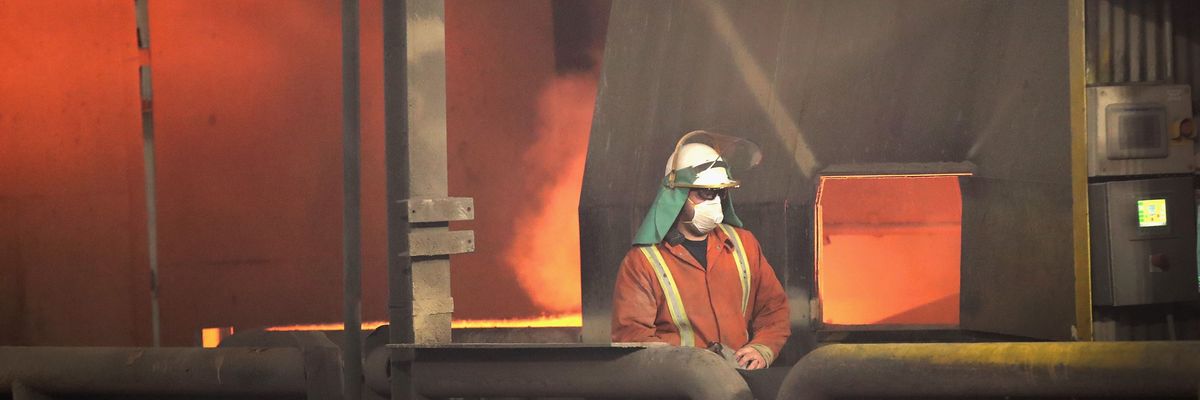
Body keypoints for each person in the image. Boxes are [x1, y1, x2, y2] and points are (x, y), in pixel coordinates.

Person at [611, 131, 790, 370]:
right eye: (704, 192)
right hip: (679, 388)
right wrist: (689, 369)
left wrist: (761, 349)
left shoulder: (743, 245)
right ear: (677, 194)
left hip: (737, 383)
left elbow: (774, 309)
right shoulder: (643, 262)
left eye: (719, 192)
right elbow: (632, 337)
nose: (714, 200)